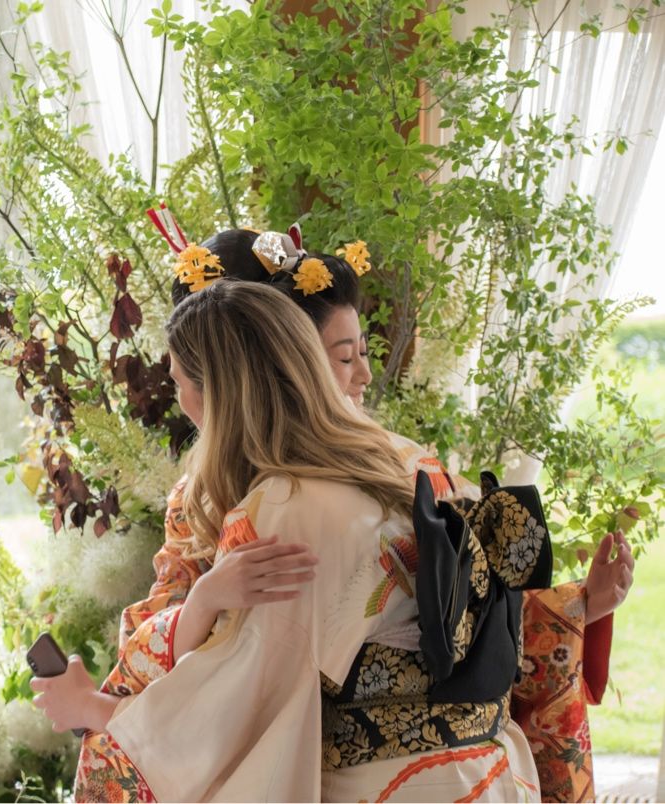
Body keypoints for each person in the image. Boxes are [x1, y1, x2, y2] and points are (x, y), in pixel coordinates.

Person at [33, 227, 634, 802]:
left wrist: (97, 712)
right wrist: (204, 601)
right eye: (344, 358)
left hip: (381, 780)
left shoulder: (282, 505)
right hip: (490, 771)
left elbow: (239, 700)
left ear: (231, 380)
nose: (361, 375)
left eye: (357, 355)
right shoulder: (398, 463)